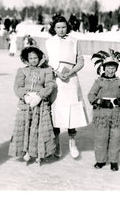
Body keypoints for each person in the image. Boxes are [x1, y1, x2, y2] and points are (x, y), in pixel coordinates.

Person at [45, 16, 89, 159]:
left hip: (71, 79)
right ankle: (57, 143)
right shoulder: (49, 42)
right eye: (58, 27)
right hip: (56, 80)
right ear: (54, 28)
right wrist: (56, 72)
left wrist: (71, 72)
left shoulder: (74, 41)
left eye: (63, 27)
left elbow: (80, 60)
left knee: (72, 112)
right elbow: (47, 62)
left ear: (67, 27)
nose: (61, 30)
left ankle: (72, 142)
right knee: (56, 112)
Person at [8, 46, 56, 165]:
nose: (33, 60)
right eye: (30, 58)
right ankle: (26, 151)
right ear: (26, 59)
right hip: (26, 102)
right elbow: (18, 87)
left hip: (40, 102)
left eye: (35, 57)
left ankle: (39, 153)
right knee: (26, 125)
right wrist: (25, 96)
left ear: (39, 58)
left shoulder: (47, 70)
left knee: (38, 127)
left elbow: (50, 85)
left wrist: (40, 96)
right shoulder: (22, 71)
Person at [88, 49, 120, 171]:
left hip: (116, 116)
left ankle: (114, 161)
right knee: (101, 137)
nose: (110, 70)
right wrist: (100, 101)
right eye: (108, 68)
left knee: (116, 138)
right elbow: (91, 95)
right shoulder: (99, 82)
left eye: (113, 68)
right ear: (103, 68)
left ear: (116, 69)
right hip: (102, 116)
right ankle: (100, 160)